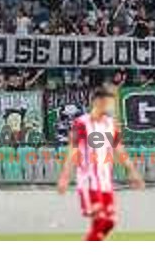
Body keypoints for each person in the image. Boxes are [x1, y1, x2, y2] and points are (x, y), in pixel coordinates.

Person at [57, 85, 144, 241]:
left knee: (109, 222)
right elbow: (73, 149)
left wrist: (132, 171)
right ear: (97, 101)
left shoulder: (110, 124)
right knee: (101, 219)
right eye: (107, 102)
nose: (110, 106)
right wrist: (65, 176)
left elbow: (118, 149)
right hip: (89, 180)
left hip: (105, 182)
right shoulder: (82, 123)